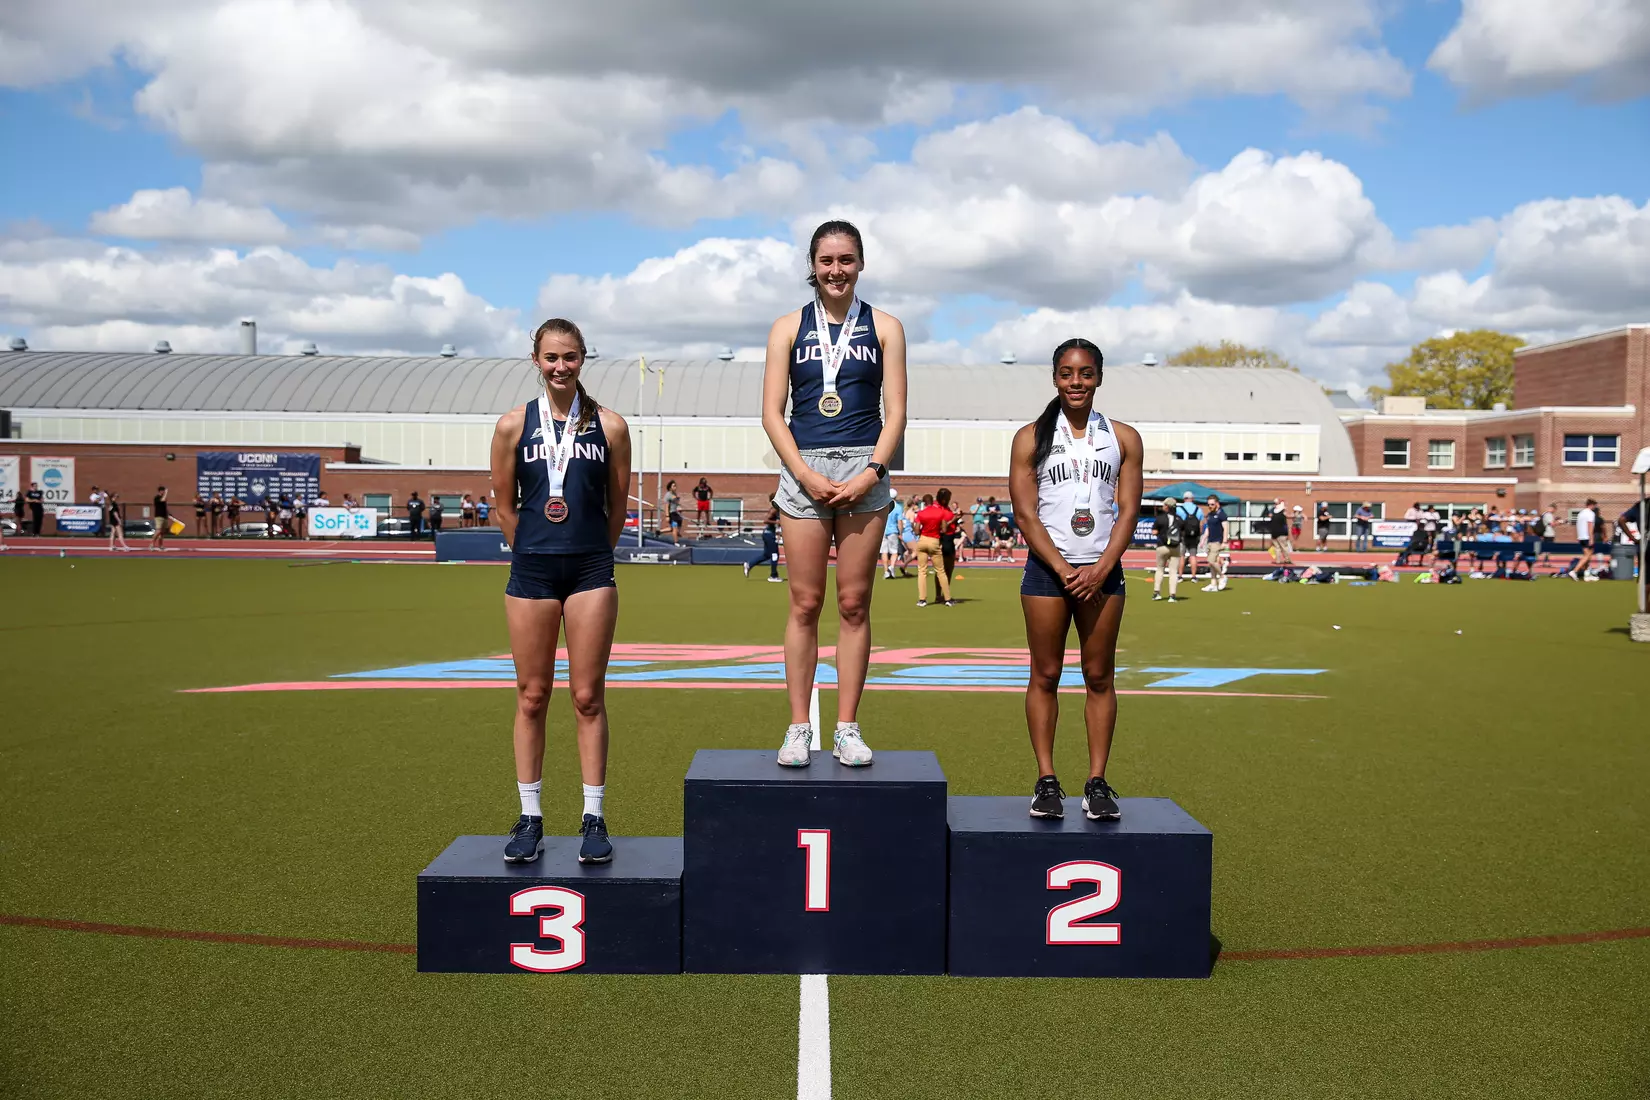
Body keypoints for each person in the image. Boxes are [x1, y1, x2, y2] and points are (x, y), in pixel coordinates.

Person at [761, 218, 906, 769]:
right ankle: (800, 726)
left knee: (852, 604)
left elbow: (897, 412)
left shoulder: (886, 327)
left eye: (846, 260)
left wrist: (872, 470)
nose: (836, 270)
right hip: (804, 470)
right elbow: (773, 412)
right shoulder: (786, 329)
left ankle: (846, 727)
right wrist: (802, 471)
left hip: (863, 470)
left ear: (861, 263)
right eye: (826, 261)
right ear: (812, 267)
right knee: (804, 603)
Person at [489, 317, 631, 866]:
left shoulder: (610, 426)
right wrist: (532, 546)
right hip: (532, 573)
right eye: (551, 357)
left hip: (591, 569)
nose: (560, 366)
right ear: (536, 360)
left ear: (583, 359)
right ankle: (530, 817)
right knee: (531, 694)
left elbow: (616, 506)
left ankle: (593, 817)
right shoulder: (511, 426)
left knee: (587, 696)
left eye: (570, 357)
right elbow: (504, 503)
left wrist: (592, 546)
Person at [1008, 337, 1141, 822]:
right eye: (1067, 373)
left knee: (1099, 676)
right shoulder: (1030, 437)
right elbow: (1025, 513)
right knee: (1045, 675)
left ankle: (1097, 781)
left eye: (1085, 373)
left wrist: (1102, 566)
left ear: (1099, 377)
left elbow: (1128, 510)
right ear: (1055, 377)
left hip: (1103, 573)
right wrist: (1065, 570)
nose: (1076, 382)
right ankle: (1046, 781)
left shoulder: (1123, 437)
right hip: (1048, 572)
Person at [911, 492, 955, 607]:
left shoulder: (921, 513)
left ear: (924, 503)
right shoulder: (940, 513)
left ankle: (922, 599)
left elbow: (916, 530)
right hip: (934, 540)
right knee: (940, 571)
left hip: (923, 540)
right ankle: (947, 599)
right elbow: (944, 529)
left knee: (922, 571)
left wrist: (921, 531)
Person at [743, 499, 784, 582]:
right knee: (774, 555)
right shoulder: (774, 510)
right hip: (769, 535)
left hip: (769, 534)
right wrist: (776, 522)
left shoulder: (778, 510)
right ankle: (773, 576)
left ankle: (749, 564)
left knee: (766, 555)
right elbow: (765, 521)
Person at [1151, 500, 1183, 601]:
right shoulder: (1179, 519)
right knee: (1173, 572)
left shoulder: (1160, 518)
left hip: (1162, 546)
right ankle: (1172, 595)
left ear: (1167, 506)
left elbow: (1154, 531)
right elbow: (1182, 531)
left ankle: (1157, 593)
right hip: (1176, 547)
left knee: (1160, 569)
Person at [1202, 496, 1228, 592]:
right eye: (1208, 504)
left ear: (1217, 503)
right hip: (1210, 540)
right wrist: (1203, 540)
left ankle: (1222, 576)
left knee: (1211, 561)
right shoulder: (1209, 515)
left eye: (1212, 504)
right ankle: (1213, 584)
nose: (1210, 506)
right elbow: (1208, 529)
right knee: (1211, 564)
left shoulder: (1221, 514)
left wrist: (1224, 541)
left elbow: (1225, 528)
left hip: (1217, 541)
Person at [937, 486, 962, 585]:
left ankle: (945, 593)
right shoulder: (939, 509)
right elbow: (941, 528)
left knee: (949, 569)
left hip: (950, 537)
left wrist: (957, 518)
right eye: (948, 498)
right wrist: (954, 519)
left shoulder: (947, 509)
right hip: (944, 539)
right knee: (943, 569)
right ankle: (940, 594)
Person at [1175, 491, 1201, 580]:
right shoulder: (1198, 509)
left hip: (1183, 535)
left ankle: (1180, 576)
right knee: (1193, 556)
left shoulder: (1179, 509)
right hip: (1194, 536)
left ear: (1184, 499)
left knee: (1181, 556)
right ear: (1192, 499)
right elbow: (1201, 523)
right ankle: (1194, 576)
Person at [880, 494, 906, 579]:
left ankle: (886, 571)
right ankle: (891, 567)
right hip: (893, 531)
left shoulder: (883, 505)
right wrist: (901, 533)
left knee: (884, 551)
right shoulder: (898, 507)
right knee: (894, 552)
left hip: (883, 530)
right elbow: (900, 522)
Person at [1266, 499, 1292, 564]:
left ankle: (1278, 560)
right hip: (1282, 533)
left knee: (1277, 548)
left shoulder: (1273, 514)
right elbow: (1286, 521)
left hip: (1274, 532)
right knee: (1284, 547)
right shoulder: (1282, 514)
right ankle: (1287, 559)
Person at [149, 486, 169, 550]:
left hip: (164, 516)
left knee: (162, 533)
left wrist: (168, 514)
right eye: (163, 491)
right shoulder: (157, 498)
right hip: (159, 516)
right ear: (160, 491)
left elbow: (164, 505)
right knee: (158, 531)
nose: (164, 492)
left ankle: (160, 545)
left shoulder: (163, 498)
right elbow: (162, 500)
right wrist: (166, 493)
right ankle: (152, 544)